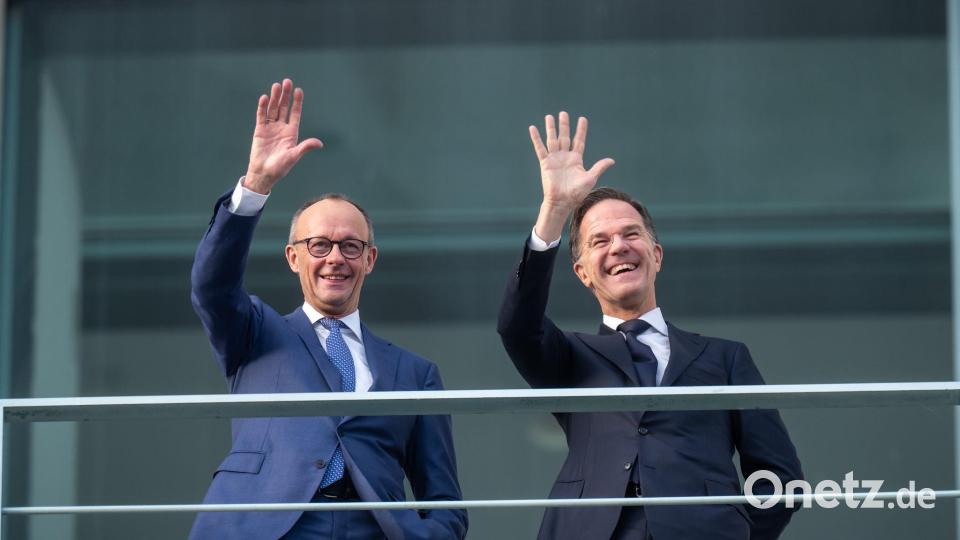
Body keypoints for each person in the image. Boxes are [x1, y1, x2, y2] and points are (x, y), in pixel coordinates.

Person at [497, 111, 803, 540]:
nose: (619, 246)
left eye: (631, 234)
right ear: (583, 272)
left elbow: (780, 476)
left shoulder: (724, 357)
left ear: (657, 255)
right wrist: (554, 210)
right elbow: (516, 325)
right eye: (600, 241)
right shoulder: (569, 357)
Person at [189, 78, 467, 540]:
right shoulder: (256, 334)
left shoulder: (415, 374)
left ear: (370, 260)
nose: (335, 257)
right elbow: (210, 285)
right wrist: (256, 184)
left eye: (351, 246)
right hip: (264, 528)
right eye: (319, 245)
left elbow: (445, 499)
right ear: (293, 257)